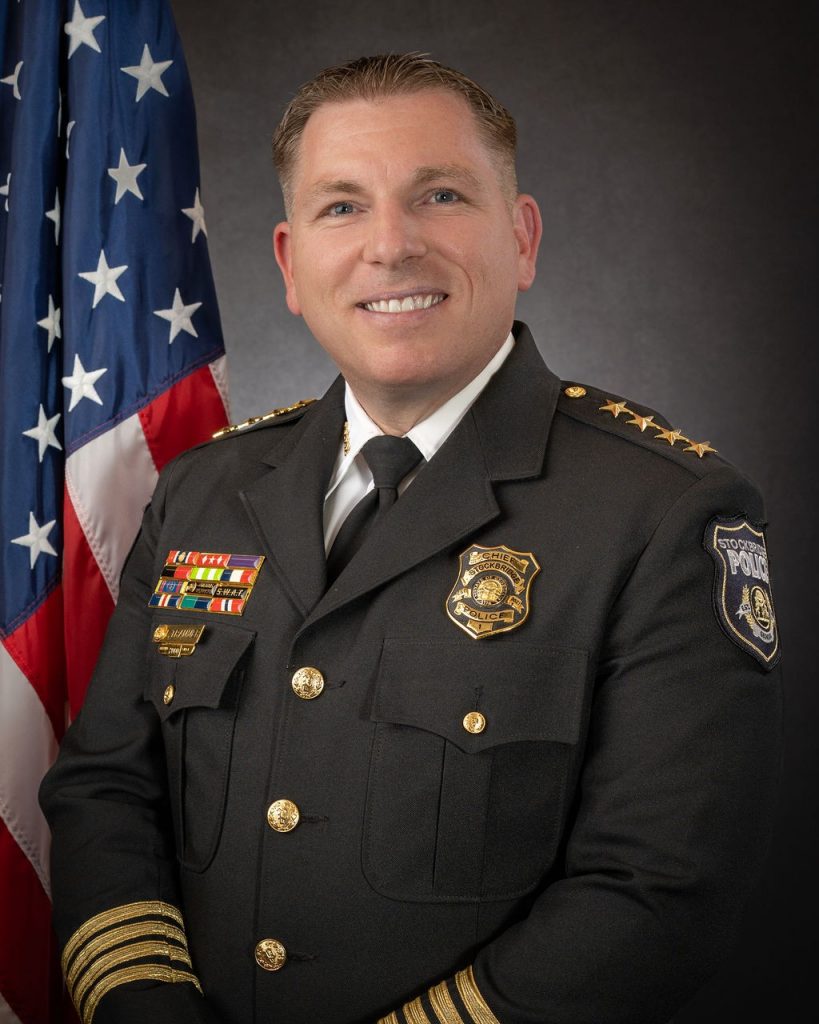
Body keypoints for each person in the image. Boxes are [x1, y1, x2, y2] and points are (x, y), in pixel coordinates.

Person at [40, 53, 782, 1024]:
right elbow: (105, 791)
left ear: (521, 239)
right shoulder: (204, 492)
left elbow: (658, 890)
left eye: (439, 194)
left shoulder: (669, 511)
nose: (390, 246)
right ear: (289, 264)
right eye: (341, 206)